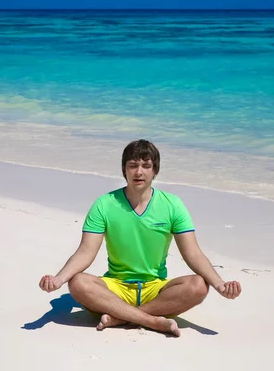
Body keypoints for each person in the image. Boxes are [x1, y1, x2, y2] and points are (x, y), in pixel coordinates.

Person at [39, 139, 241, 337]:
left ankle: (121, 317)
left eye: (146, 166)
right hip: (116, 287)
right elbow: (85, 251)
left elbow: (193, 253)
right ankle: (152, 320)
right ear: (124, 170)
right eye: (133, 165)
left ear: (155, 171)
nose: (139, 172)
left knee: (198, 285)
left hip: (155, 288)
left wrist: (219, 285)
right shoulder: (105, 204)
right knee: (77, 283)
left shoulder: (173, 205)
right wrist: (59, 279)